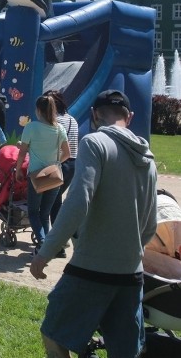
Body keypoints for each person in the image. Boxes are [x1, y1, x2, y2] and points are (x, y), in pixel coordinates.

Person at [30, 90, 157, 358]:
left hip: (91, 268)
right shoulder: (149, 159)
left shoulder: (95, 143)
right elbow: (150, 225)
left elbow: (78, 202)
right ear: (129, 117)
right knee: (125, 351)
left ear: (94, 115)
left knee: (53, 333)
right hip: (131, 273)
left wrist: (46, 251)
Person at [15, 94, 71, 255]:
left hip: (36, 176)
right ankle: (50, 246)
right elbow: (67, 153)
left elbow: (22, 153)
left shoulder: (31, 128)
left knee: (33, 211)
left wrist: (18, 170)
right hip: (54, 175)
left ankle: (43, 242)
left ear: (38, 110)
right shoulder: (59, 128)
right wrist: (55, 163)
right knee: (45, 213)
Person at [46, 89, 79, 227]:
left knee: (52, 202)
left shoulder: (55, 122)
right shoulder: (72, 119)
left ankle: (56, 234)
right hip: (72, 164)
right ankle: (59, 232)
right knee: (57, 199)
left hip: (58, 163)